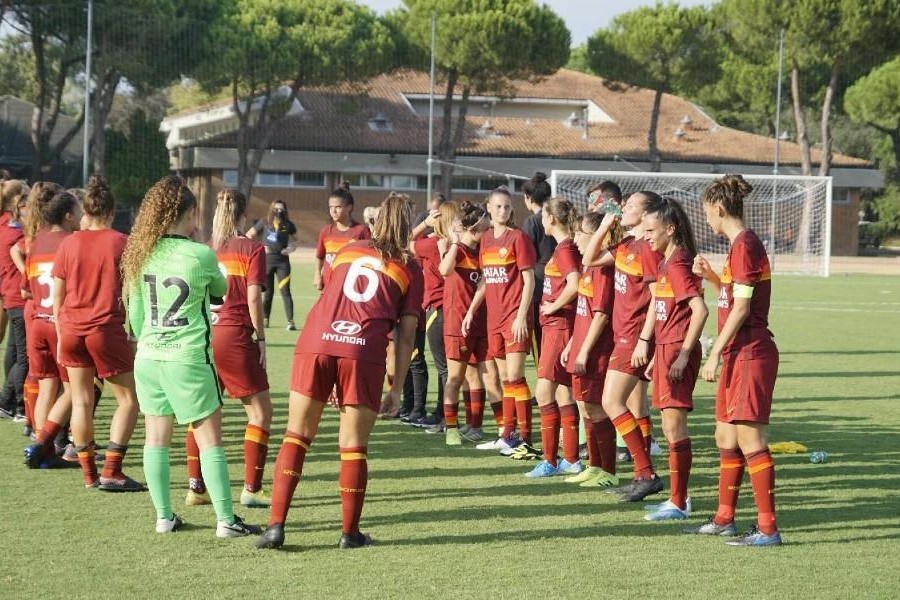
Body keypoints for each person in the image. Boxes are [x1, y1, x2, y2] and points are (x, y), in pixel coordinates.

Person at [256, 192, 423, 550]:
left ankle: (275, 526)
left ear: (375, 221)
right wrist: (395, 386)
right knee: (352, 445)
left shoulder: (350, 248)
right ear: (408, 224)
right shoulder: (410, 265)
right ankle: (349, 533)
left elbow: (331, 293)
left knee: (296, 435)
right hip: (362, 350)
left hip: (317, 341)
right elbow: (406, 336)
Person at [122, 175, 259, 535]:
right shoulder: (200, 254)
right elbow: (221, 290)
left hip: (149, 358)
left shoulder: (142, 253)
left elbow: (135, 318)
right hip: (188, 357)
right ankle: (226, 521)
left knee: (156, 438)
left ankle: (163, 517)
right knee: (209, 439)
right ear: (191, 213)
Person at [689, 174, 782, 546]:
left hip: (749, 353)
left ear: (719, 209)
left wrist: (712, 355)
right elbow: (733, 297)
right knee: (725, 435)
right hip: (738, 354)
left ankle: (768, 529)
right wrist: (713, 277)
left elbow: (742, 309)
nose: (707, 221)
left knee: (750, 439)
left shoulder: (745, 246)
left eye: (707, 214)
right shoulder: (738, 247)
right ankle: (725, 518)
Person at [52, 175, 144, 492]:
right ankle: (112, 471)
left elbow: (58, 296)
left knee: (80, 402)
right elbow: (133, 291)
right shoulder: (121, 242)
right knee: (129, 401)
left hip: (71, 328)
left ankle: (89, 475)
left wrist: (61, 332)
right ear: (112, 209)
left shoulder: (69, 242)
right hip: (105, 328)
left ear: (85, 209)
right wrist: (135, 331)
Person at [184, 189, 273, 509]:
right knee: (261, 413)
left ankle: (196, 488)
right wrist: (261, 339)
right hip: (234, 336)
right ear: (243, 214)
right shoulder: (252, 248)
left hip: (204, 336)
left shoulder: (206, 250)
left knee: (202, 413)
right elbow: (253, 299)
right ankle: (251, 489)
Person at [582, 191, 664, 502]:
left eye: (630, 206)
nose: (623, 208)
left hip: (634, 337)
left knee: (611, 401)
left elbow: (658, 296)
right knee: (627, 405)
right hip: (624, 335)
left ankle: (646, 472)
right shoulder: (627, 245)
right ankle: (642, 474)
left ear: (646, 215)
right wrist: (604, 225)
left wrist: (646, 339)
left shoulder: (648, 248)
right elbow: (588, 259)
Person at [641, 196, 708, 521]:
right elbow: (668, 314)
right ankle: (677, 499)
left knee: (674, 426)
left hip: (677, 353)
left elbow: (700, 310)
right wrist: (657, 353)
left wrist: (681, 355)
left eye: (651, 230)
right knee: (669, 427)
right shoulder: (667, 262)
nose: (647, 236)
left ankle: (679, 502)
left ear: (670, 229)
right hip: (666, 351)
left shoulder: (679, 264)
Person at [471, 187, 538, 458]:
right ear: (489, 208)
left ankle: (525, 438)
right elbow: (487, 280)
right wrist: (471, 311)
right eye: (498, 206)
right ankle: (507, 435)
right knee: (504, 379)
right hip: (494, 319)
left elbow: (529, 280)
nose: (503, 211)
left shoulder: (518, 238)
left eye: (507, 207)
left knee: (515, 377)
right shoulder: (485, 240)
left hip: (514, 317)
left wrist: (522, 315)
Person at [562, 211, 623, 488]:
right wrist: (572, 344)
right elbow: (583, 313)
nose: (574, 238)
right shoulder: (589, 267)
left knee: (597, 409)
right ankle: (594, 466)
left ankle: (608, 471)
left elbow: (601, 315)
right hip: (582, 345)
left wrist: (585, 350)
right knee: (586, 408)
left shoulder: (603, 270)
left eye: (579, 233)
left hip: (597, 349)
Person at [21, 191, 80, 469]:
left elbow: (25, 290)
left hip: (37, 323)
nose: (81, 215)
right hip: (60, 322)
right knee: (74, 391)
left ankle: (43, 449)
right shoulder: (71, 243)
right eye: (78, 211)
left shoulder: (36, 242)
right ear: (68, 215)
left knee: (47, 387)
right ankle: (48, 445)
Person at [526, 198, 583, 478]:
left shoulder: (564, 249)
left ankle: (550, 460)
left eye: (544, 216)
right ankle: (570, 460)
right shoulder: (563, 247)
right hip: (557, 328)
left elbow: (575, 284)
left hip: (559, 327)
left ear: (551, 219)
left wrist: (554, 305)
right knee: (563, 392)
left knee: (544, 392)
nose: (541, 220)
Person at [439, 201, 503, 445]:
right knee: (456, 378)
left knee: (490, 377)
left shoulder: (484, 252)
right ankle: (452, 429)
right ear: (474, 229)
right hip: (457, 324)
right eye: (485, 228)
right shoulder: (458, 250)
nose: (488, 232)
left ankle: (498, 430)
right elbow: (445, 270)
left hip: (482, 324)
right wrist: (454, 242)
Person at [411, 203, 454, 430]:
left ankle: (447, 418)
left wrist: (423, 225)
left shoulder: (430, 244)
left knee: (444, 368)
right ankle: (442, 413)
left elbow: (406, 242)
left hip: (437, 308)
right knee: (448, 367)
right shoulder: (457, 244)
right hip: (454, 308)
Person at [0, 179, 32, 420]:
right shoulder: (17, 234)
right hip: (18, 296)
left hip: (9, 294)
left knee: (13, 350)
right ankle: (15, 403)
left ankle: (7, 402)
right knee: (23, 356)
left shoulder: (4, 225)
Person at [247, 199, 299, 330]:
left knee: (285, 291)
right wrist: (261, 247)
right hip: (267, 262)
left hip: (283, 262)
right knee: (268, 292)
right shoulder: (265, 222)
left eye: (282, 209)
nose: (279, 211)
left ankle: (290, 322)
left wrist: (290, 249)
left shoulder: (288, 225)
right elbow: (249, 235)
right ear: (271, 209)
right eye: (276, 209)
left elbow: (296, 241)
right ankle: (265, 319)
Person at [520, 172, 556, 360]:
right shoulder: (555, 217)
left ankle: (545, 388)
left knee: (541, 348)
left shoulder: (532, 222)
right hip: (558, 285)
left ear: (528, 198)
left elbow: (524, 256)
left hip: (538, 286)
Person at [313, 182, 371, 293]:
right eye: (331, 207)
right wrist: (317, 275)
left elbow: (370, 259)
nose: (333, 211)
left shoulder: (361, 231)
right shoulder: (326, 232)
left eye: (338, 207)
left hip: (351, 289)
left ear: (349, 207)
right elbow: (320, 256)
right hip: (328, 287)